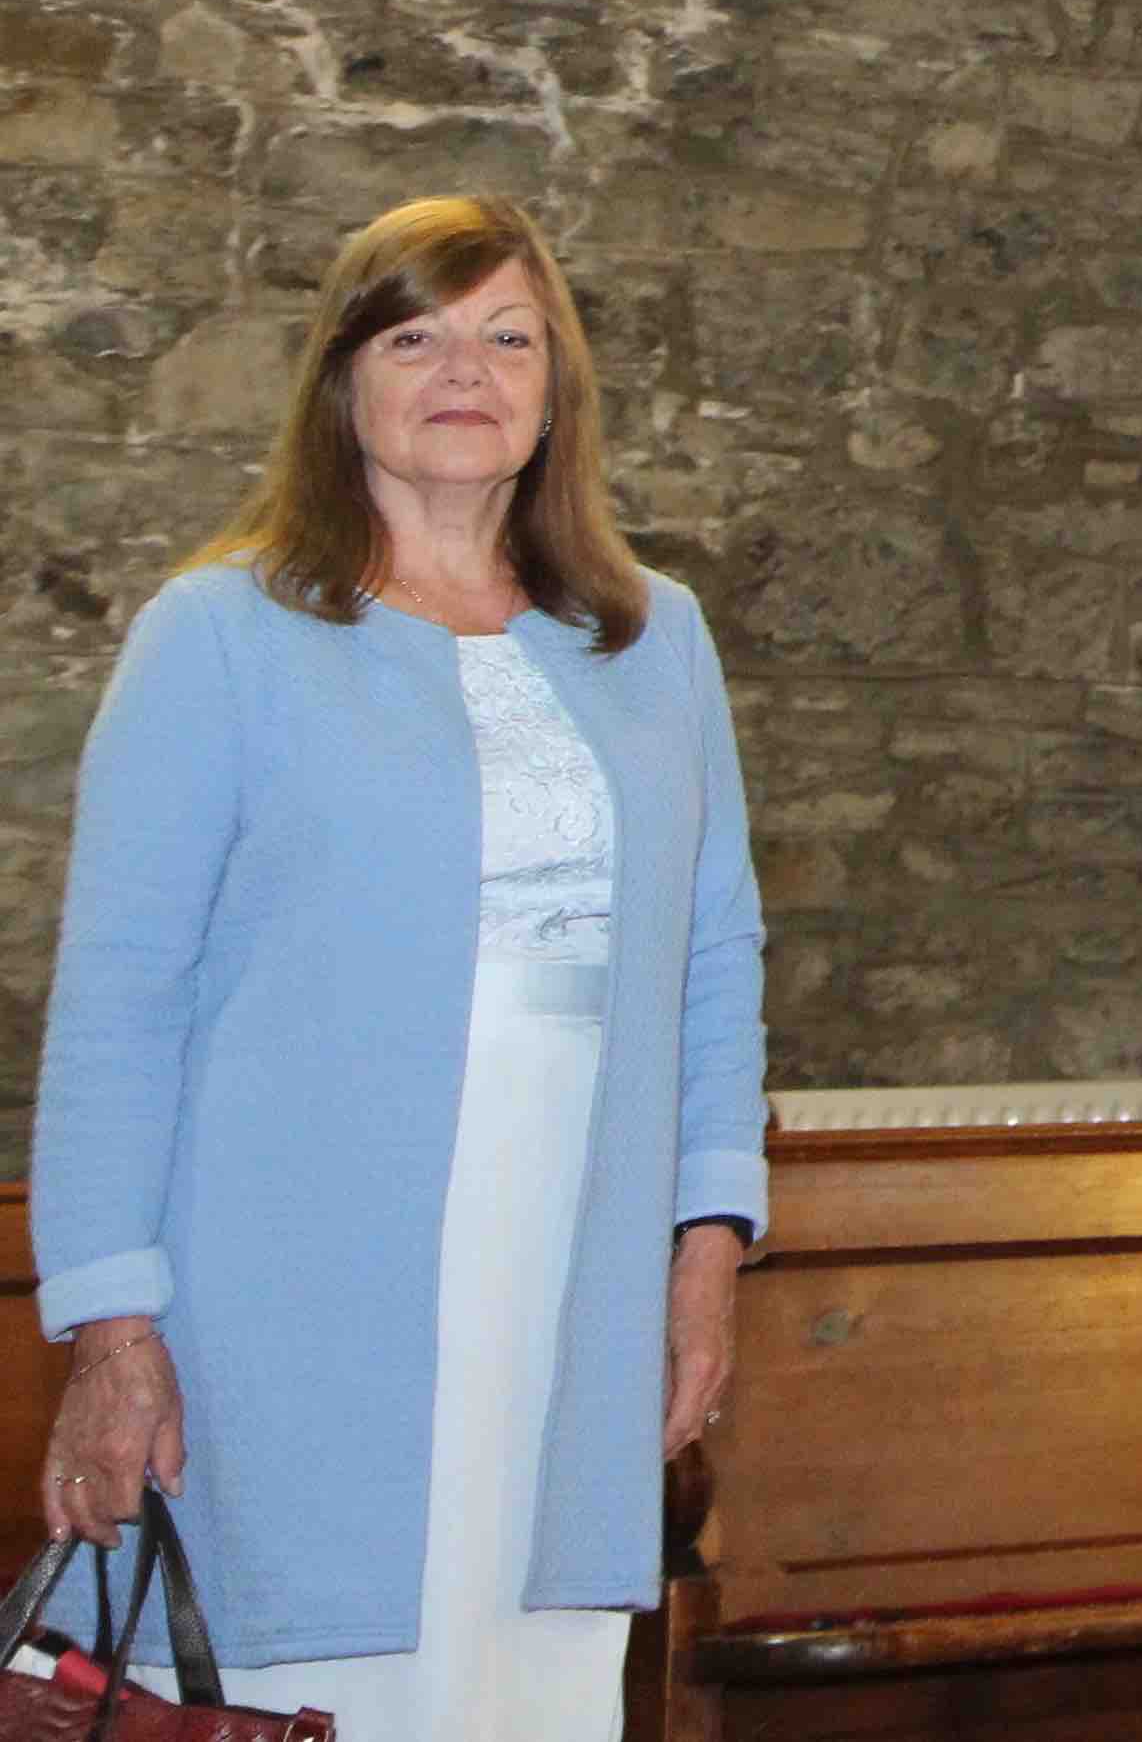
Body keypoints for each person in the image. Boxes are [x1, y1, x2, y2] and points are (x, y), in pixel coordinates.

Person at [29, 195, 770, 1734]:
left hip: (572, 1272)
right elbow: (118, 1004)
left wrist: (707, 1246)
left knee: (527, 1680)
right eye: (415, 334)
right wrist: (110, 1324)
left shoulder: (654, 641)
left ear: (556, 385)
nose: (466, 369)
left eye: (510, 336)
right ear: (342, 379)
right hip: (291, 1287)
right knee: (322, 1672)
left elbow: (715, 958)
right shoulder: (219, 635)